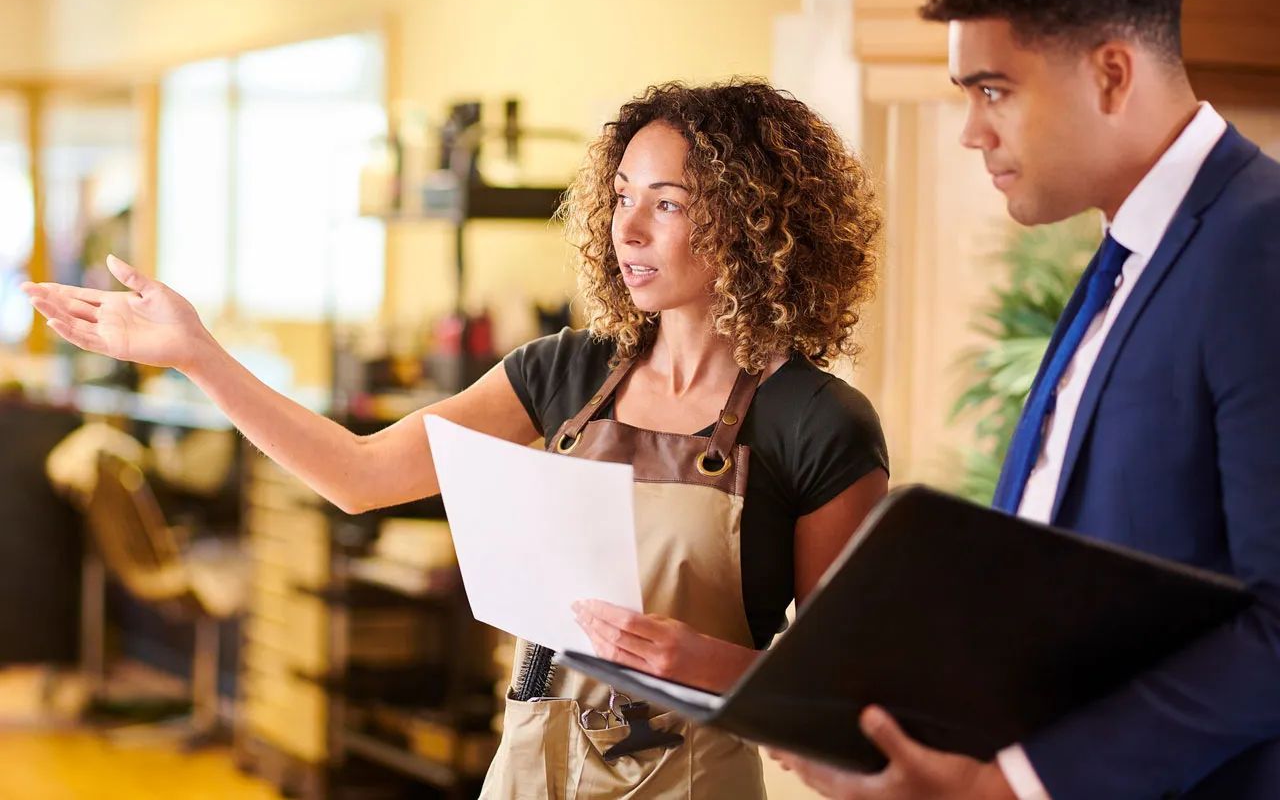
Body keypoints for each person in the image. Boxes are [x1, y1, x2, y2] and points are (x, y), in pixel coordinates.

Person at [25, 79, 890, 798]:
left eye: (666, 204)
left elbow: (840, 702)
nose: (628, 228)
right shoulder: (563, 374)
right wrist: (196, 355)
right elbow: (356, 473)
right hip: (525, 773)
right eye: (623, 196)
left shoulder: (818, 424)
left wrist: (706, 660)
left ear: (752, 221)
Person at [772, 0, 1280, 798]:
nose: (972, 129)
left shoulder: (1261, 243)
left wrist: (1005, 786)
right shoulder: (1127, 254)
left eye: (993, 89)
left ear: (1112, 73)